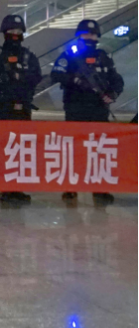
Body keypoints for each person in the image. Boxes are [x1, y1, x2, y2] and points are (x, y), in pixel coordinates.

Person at [51, 19, 125, 205]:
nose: (89, 38)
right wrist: (75, 80)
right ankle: (71, 187)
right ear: (79, 36)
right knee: (74, 149)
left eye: (92, 35)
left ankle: (100, 189)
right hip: (76, 108)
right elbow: (56, 74)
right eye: (85, 34)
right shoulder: (70, 55)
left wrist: (112, 94)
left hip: (99, 110)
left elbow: (116, 79)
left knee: (100, 151)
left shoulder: (103, 56)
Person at [0, 14, 41, 204]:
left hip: (23, 108)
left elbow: (36, 76)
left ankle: (17, 187)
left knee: (21, 149)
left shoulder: (28, 56)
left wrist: (21, 80)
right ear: (4, 32)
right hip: (2, 108)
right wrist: (0, 80)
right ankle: (5, 188)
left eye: (18, 31)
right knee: (4, 149)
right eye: (11, 30)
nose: (15, 34)